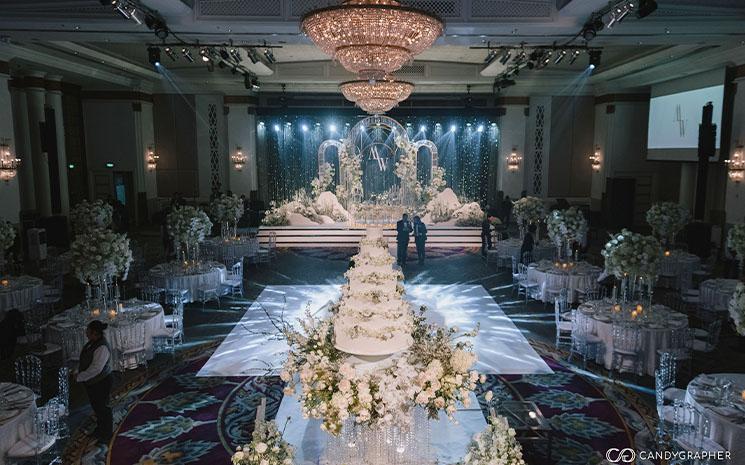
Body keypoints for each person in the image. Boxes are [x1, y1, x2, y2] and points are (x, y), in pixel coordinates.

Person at [76, 320, 113, 443]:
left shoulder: (102, 347)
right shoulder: (92, 343)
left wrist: (79, 377)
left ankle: (106, 433)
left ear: (95, 333)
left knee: (103, 408)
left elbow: (96, 369)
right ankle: (100, 428)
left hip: (101, 382)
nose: (86, 333)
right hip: (93, 382)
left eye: (88, 331)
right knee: (97, 407)